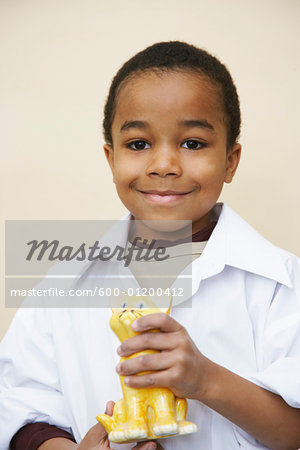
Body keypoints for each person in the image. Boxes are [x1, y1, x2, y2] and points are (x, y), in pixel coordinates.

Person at [1, 41, 300, 450]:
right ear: (111, 159)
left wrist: (206, 380)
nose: (163, 165)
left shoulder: (281, 286)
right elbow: (19, 410)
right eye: (138, 144)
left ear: (231, 160)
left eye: (192, 143)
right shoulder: (65, 281)